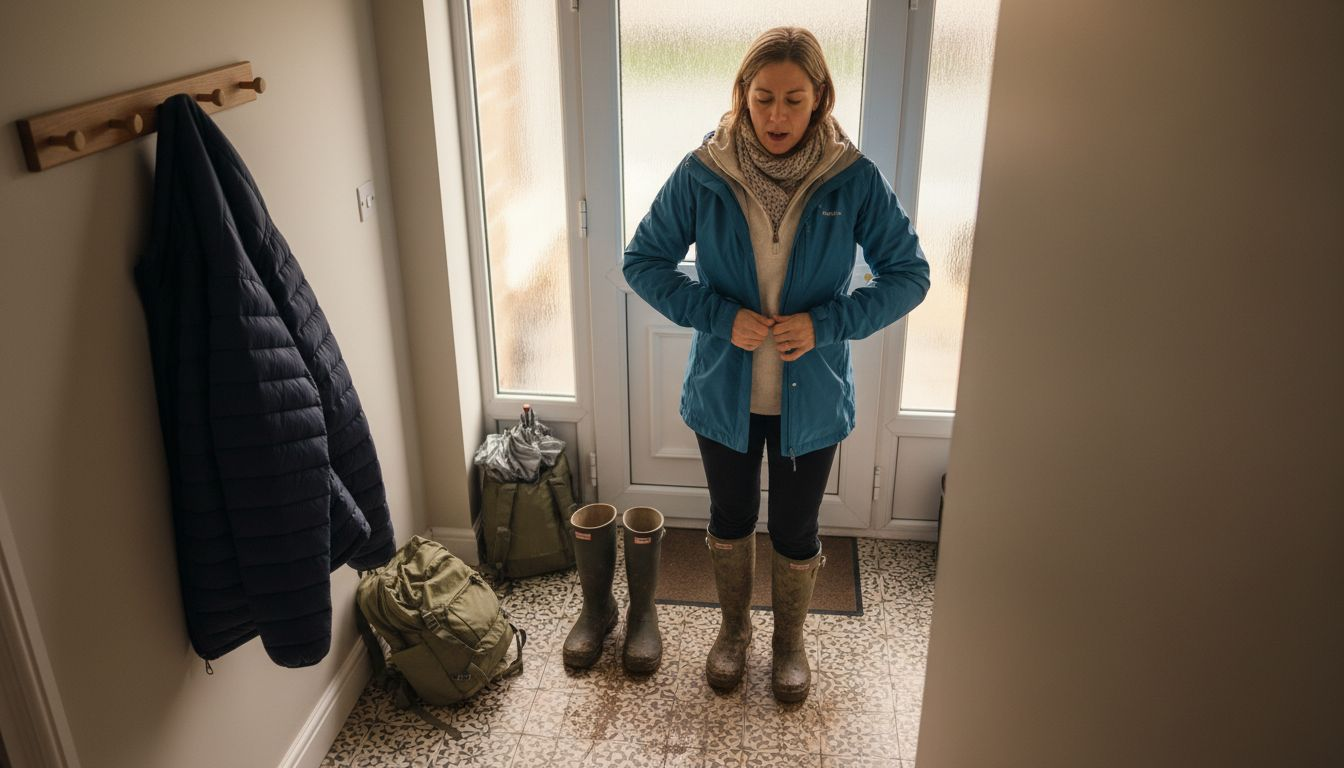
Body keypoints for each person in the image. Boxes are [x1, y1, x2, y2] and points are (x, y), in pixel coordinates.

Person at [622, 26, 930, 702]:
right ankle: (734, 633)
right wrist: (718, 315)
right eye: (763, 99)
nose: (777, 117)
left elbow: (909, 275)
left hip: (811, 400)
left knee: (795, 528)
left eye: (794, 100)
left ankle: (789, 642)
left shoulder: (853, 179)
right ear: (742, 95)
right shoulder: (703, 172)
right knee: (730, 519)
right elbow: (641, 263)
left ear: (820, 99)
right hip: (721, 395)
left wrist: (826, 325)